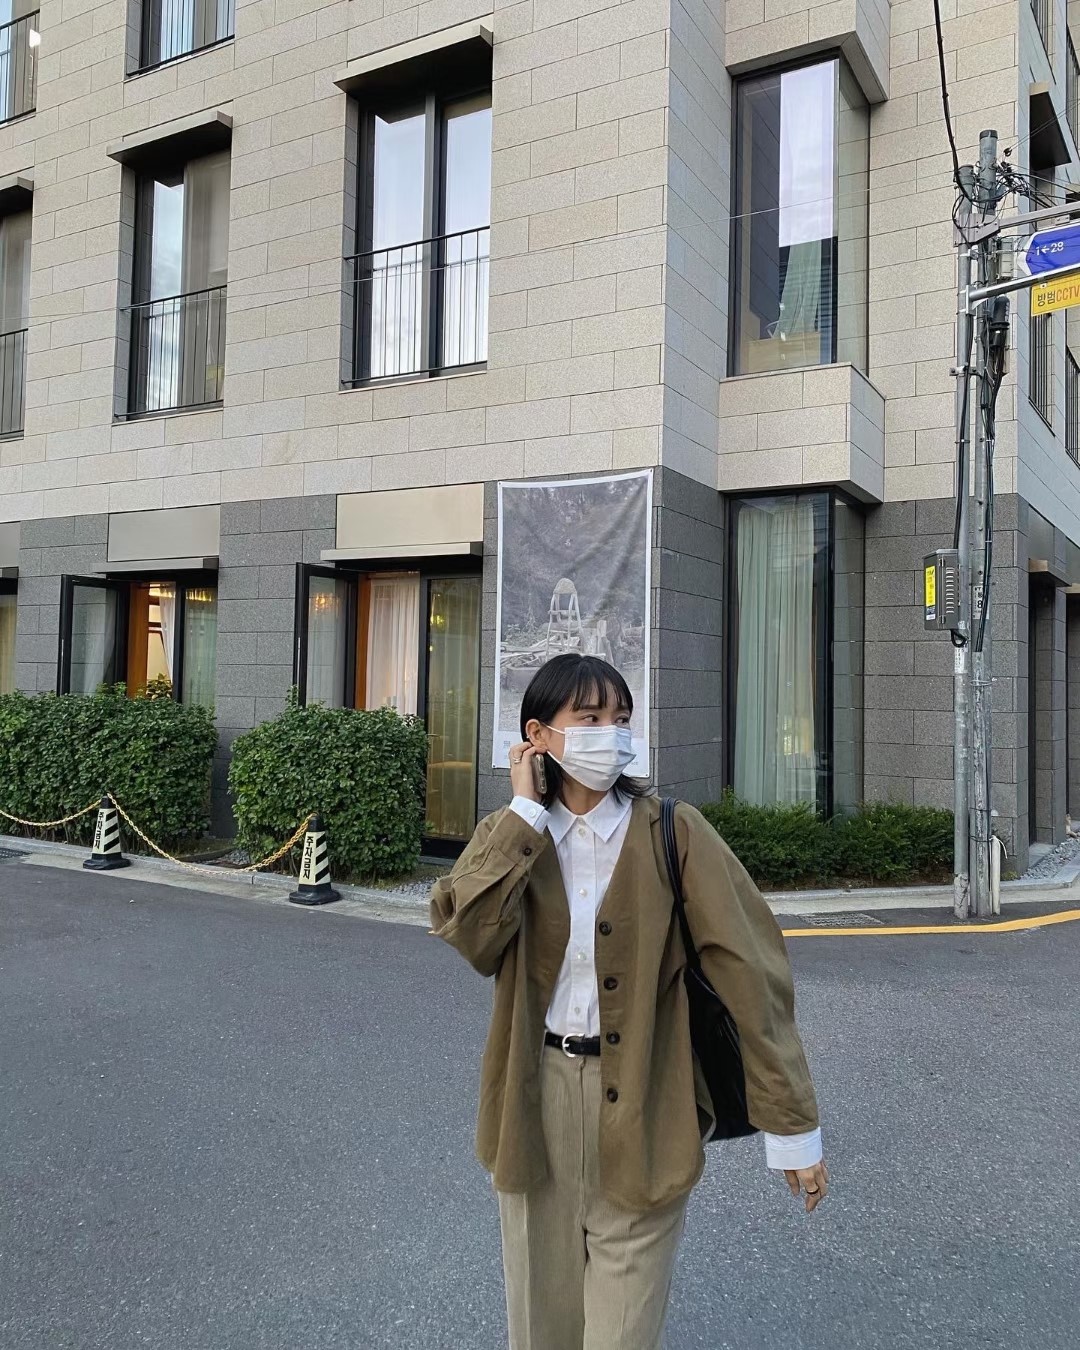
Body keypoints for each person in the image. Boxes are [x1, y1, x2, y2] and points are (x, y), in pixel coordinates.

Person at [431, 654, 828, 1350]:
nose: (611, 735)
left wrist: (792, 1127)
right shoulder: (512, 836)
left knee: (622, 1335)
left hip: (650, 1100)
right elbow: (469, 934)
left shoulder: (675, 832)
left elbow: (752, 974)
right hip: (536, 1099)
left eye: (620, 719)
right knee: (541, 1329)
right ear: (539, 735)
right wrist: (525, 814)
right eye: (589, 719)